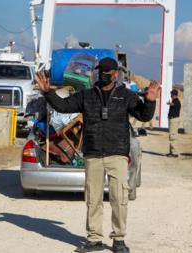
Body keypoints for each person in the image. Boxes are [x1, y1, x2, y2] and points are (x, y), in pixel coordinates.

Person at [36, 57, 158, 253]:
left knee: (119, 198)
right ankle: (94, 239)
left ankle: (118, 240)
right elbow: (63, 106)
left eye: (107, 72)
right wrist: (47, 92)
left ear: (115, 74)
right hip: (93, 155)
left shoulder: (126, 96)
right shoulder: (87, 95)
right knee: (93, 199)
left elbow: (143, 115)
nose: (103, 75)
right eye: (101, 71)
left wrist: (150, 102)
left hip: (117, 154)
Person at [167, 89, 181, 157]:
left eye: (171, 94)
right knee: (172, 136)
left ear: (174, 95)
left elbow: (173, 104)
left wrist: (170, 104)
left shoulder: (176, 101)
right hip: (173, 120)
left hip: (174, 120)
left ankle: (174, 153)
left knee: (173, 136)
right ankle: (171, 152)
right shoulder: (175, 101)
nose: (170, 95)